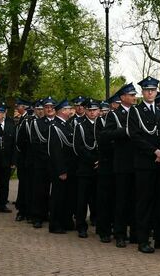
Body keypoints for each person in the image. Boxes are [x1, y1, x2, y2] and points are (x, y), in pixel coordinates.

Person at [128, 76, 160, 253]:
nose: (150, 92)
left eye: (153, 89)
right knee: (144, 202)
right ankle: (143, 240)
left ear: (157, 91)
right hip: (145, 162)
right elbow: (135, 137)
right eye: (147, 90)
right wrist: (155, 152)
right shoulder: (135, 111)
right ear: (142, 92)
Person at [102, 83, 137, 248]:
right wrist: (124, 131)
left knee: (133, 200)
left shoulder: (137, 113)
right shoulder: (113, 115)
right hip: (122, 163)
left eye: (134, 94)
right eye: (131, 95)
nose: (134, 97)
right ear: (122, 97)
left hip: (137, 162)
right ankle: (120, 233)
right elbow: (106, 135)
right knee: (121, 200)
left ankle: (134, 232)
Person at [73, 98, 101, 238]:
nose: (92, 113)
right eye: (89, 110)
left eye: (94, 110)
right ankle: (81, 226)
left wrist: (101, 160)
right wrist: (94, 160)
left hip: (100, 168)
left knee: (98, 198)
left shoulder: (102, 124)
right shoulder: (80, 125)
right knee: (82, 200)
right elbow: (78, 148)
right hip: (85, 168)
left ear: (99, 111)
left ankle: (98, 222)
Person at [29, 96, 57, 228]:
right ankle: (38, 217)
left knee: (57, 192)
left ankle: (54, 215)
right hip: (42, 162)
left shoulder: (60, 122)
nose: (49, 109)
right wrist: (48, 156)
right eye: (46, 107)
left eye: (51, 107)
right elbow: (35, 143)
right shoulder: (37, 123)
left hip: (57, 163)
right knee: (40, 191)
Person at [47, 99, 75, 234]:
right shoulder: (55, 126)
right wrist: (61, 170)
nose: (70, 111)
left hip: (69, 167)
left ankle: (65, 221)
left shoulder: (66, 125)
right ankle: (55, 224)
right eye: (68, 109)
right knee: (58, 197)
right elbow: (55, 151)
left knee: (66, 197)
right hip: (60, 169)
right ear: (62, 111)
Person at [96, 95, 117, 243]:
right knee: (105, 198)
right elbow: (101, 140)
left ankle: (115, 227)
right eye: (116, 103)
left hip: (118, 163)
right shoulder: (101, 121)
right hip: (106, 162)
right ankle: (103, 229)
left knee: (117, 199)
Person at [14, 98, 34, 221]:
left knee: (27, 185)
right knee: (24, 185)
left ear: (25, 107)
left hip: (27, 158)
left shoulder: (28, 119)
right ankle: (22, 208)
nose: (17, 108)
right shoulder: (23, 119)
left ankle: (25, 209)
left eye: (19, 106)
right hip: (23, 158)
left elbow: (25, 141)